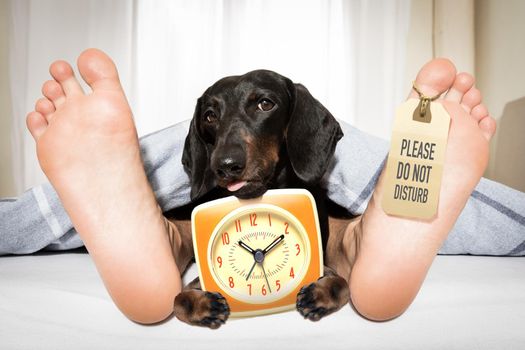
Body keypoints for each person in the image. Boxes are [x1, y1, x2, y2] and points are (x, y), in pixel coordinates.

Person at [2, 49, 524, 324]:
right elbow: (206, 168)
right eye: (214, 119)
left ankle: (377, 229)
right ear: (202, 133)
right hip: (218, 205)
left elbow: (322, 164)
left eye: (261, 106)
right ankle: (149, 227)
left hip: (308, 193)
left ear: (295, 121)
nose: (228, 146)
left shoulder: (309, 136)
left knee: (328, 218)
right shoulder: (213, 162)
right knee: (200, 218)